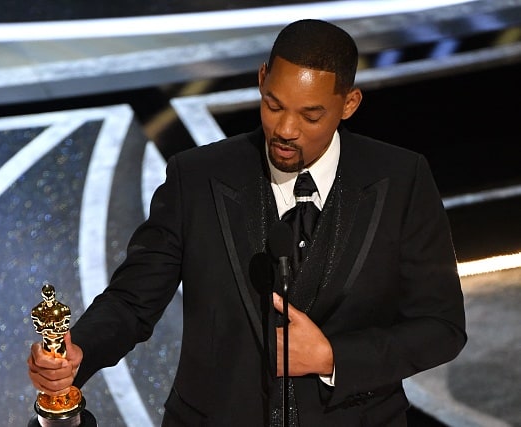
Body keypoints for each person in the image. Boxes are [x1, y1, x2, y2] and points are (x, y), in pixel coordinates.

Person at [27, 19, 466, 426]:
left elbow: (441, 327)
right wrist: (81, 350)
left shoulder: (401, 179)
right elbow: (133, 300)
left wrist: (332, 357)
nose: (286, 129)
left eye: (310, 115)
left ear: (348, 104)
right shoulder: (196, 177)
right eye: (273, 105)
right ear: (261, 79)